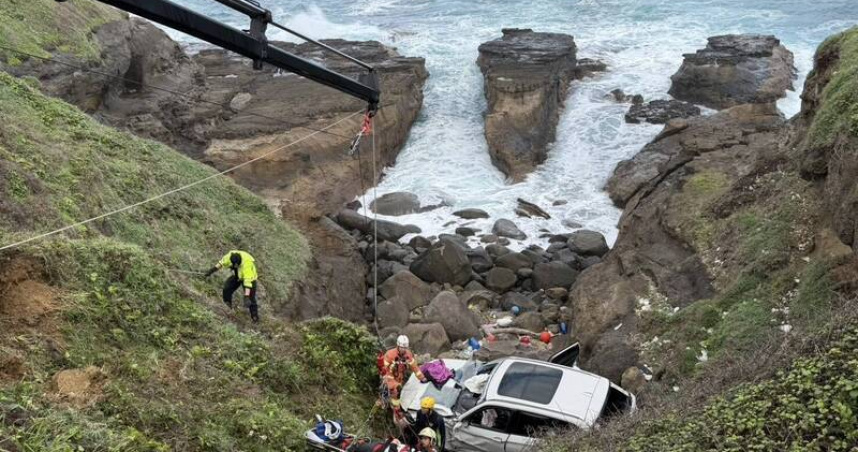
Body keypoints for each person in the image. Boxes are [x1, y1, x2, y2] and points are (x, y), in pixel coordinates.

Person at [205, 250, 259, 322]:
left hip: (250, 278)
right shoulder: (229, 257)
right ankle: (227, 307)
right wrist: (211, 271)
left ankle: (255, 317)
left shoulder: (247, 264)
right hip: (237, 275)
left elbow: (247, 282)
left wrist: (246, 296)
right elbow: (221, 263)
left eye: (237, 265)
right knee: (227, 289)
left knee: (251, 298)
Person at [381, 335, 426, 408]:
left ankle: (394, 405)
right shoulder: (390, 354)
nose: (403, 349)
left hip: (400, 377)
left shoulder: (408, 355)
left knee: (398, 390)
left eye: (405, 348)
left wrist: (422, 378)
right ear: (398, 346)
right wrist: (389, 374)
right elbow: (384, 368)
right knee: (396, 390)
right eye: (402, 347)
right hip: (389, 376)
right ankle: (395, 407)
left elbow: (415, 367)